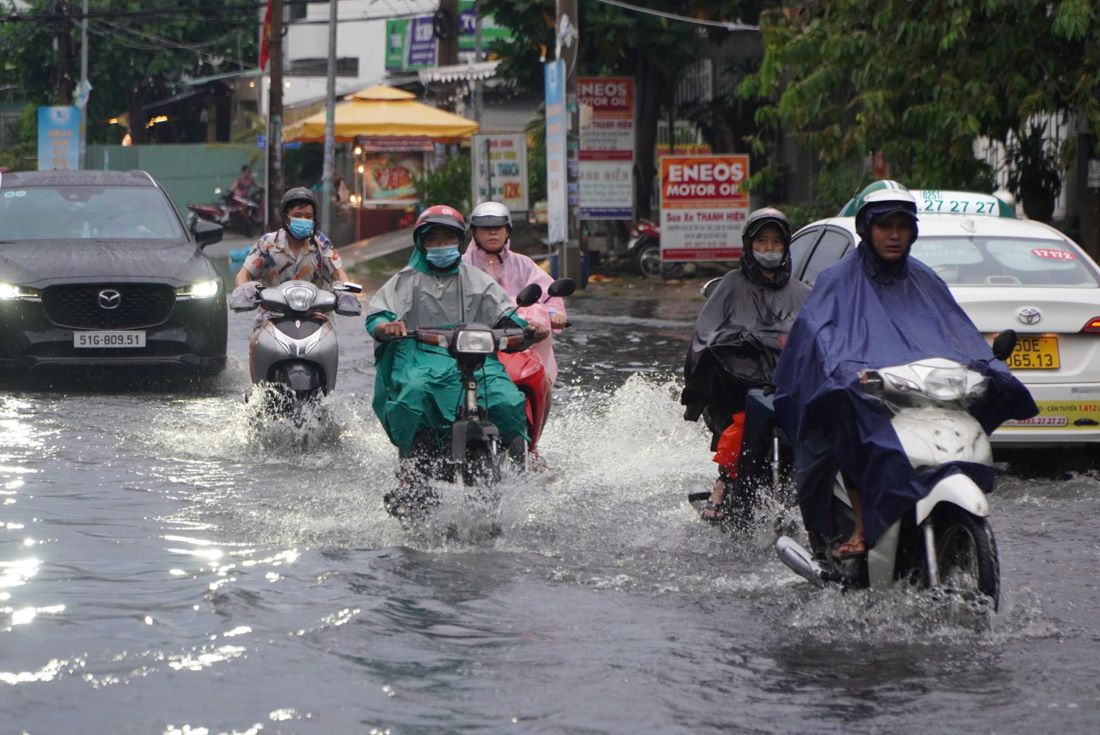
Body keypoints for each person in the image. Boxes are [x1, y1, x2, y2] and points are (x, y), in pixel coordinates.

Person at [773, 181, 1036, 557]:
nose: (894, 236)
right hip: (859, 392)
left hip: (915, 393)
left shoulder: (925, 279)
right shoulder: (838, 280)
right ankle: (861, 525)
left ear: (913, 231)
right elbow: (821, 335)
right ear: (867, 228)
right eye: (885, 226)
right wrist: (845, 372)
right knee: (858, 432)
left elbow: (955, 331)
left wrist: (988, 365)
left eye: (903, 227)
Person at [365, 205, 548, 516]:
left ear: (459, 241)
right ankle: (412, 471)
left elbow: (505, 313)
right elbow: (379, 316)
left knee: (507, 400)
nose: (441, 246)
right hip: (423, 356)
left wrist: (525, 327)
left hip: (475, 358)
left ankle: (516, 467)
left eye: (447, 239)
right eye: (433, 240)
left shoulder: (476, 280)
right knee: (413, 395)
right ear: (421, 244)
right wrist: (387, 326)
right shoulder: (405, 281)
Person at [681, 207, 810, 523]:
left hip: (788, 383)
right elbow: (706, 332)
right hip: (738, 383)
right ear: (750, 245)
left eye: (775, 242)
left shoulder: (802, 291)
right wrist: (739, 341)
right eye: (762, 241)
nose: (769, 248)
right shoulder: (730, 285)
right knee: (741, 423)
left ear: (785, 245)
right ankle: (725, 481)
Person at [233, 186, 350, 291]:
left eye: (308, 216)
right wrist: (243, 291)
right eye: (297, 216)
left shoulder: (322, 242)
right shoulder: (267, 243)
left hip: (316, 312)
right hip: (273, 312)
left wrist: (346, 293)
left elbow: (339, 274)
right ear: (285, 218)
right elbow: (243, 274)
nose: (303, 220)